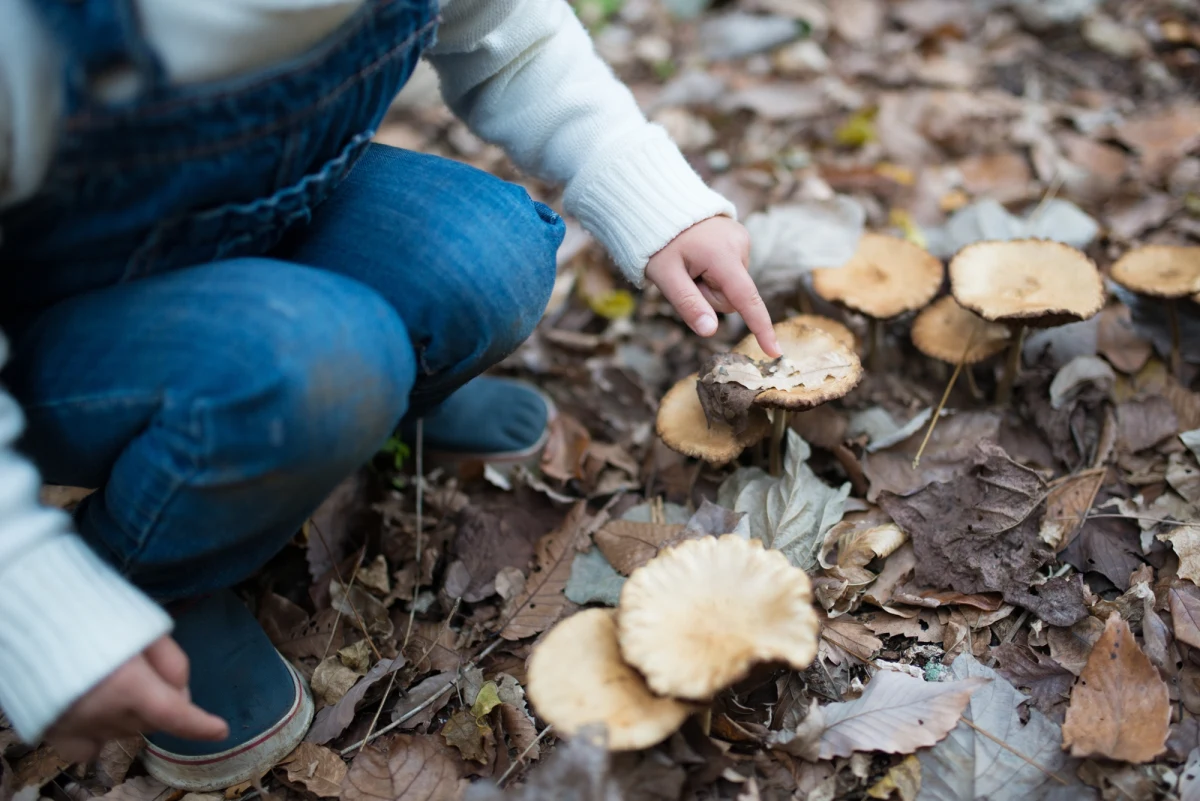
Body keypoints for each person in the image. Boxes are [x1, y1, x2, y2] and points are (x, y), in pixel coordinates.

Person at [0, 0, 781, 789]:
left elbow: (508, 35)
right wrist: (31, 596)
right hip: (59, 329)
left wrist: (643, 184)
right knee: (320, 358)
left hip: (265, 218)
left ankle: (366, 396)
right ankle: (156, 568)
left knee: (490, 255)